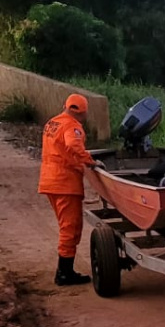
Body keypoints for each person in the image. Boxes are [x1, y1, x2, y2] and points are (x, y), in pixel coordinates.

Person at [39, 93, 104, 286]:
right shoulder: (72, 126)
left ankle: (65, 270)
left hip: (50, 180)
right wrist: (91, 162)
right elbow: (73, 145)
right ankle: (64, 273)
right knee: (70, 228)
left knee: (66, 226)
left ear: (65, 106)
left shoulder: (53, 123)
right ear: (83, 113)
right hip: (65, 183)